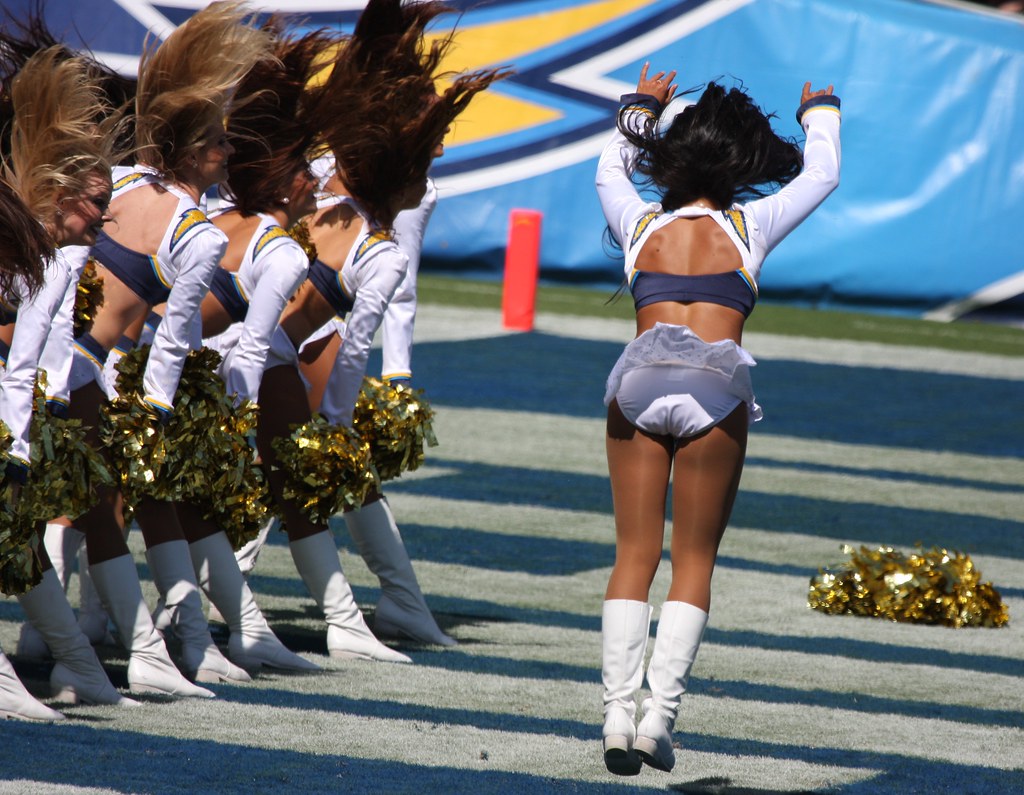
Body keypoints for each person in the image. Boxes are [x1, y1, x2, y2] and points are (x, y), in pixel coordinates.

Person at [595, 64, 841, 775]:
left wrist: (639, 109)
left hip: (638, 384)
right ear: (737, 161)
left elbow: (608, 169)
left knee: (633, 555)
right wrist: (821, 111)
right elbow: (822, 174)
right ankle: (658, 721)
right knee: (694, 561)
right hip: (714, 386)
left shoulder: (640, 224)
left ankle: (615, 714)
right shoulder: (748, 225)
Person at [252, 0, 505, 662]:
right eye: (428, 118)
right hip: (269, 325)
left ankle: (393, 603)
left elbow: (398, 292)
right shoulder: (337, 165)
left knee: (315, 466)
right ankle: (221, 605)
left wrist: (396, 378)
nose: (440, 135)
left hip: (296, 327)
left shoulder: (403, 193)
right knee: (282, 467)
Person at [67, 1, 272, 696]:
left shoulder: (120, 181)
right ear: (187, 151)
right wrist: (152, 417)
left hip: (53, 361)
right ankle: (122, 654)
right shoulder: (200, 235)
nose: (228, 152)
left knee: (76, 504)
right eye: (217, 143)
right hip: (76, 368)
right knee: (86, 507)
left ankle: (86, 646)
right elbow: (174, 338)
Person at [0, 47, 137, 711]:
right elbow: (22, 361)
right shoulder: (44, 258)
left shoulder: (39, 244)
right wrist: (18, 449)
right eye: (99, 204)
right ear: (61, 196)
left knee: (22, 542)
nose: (105, 220)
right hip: (13, 413)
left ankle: (79, 670)